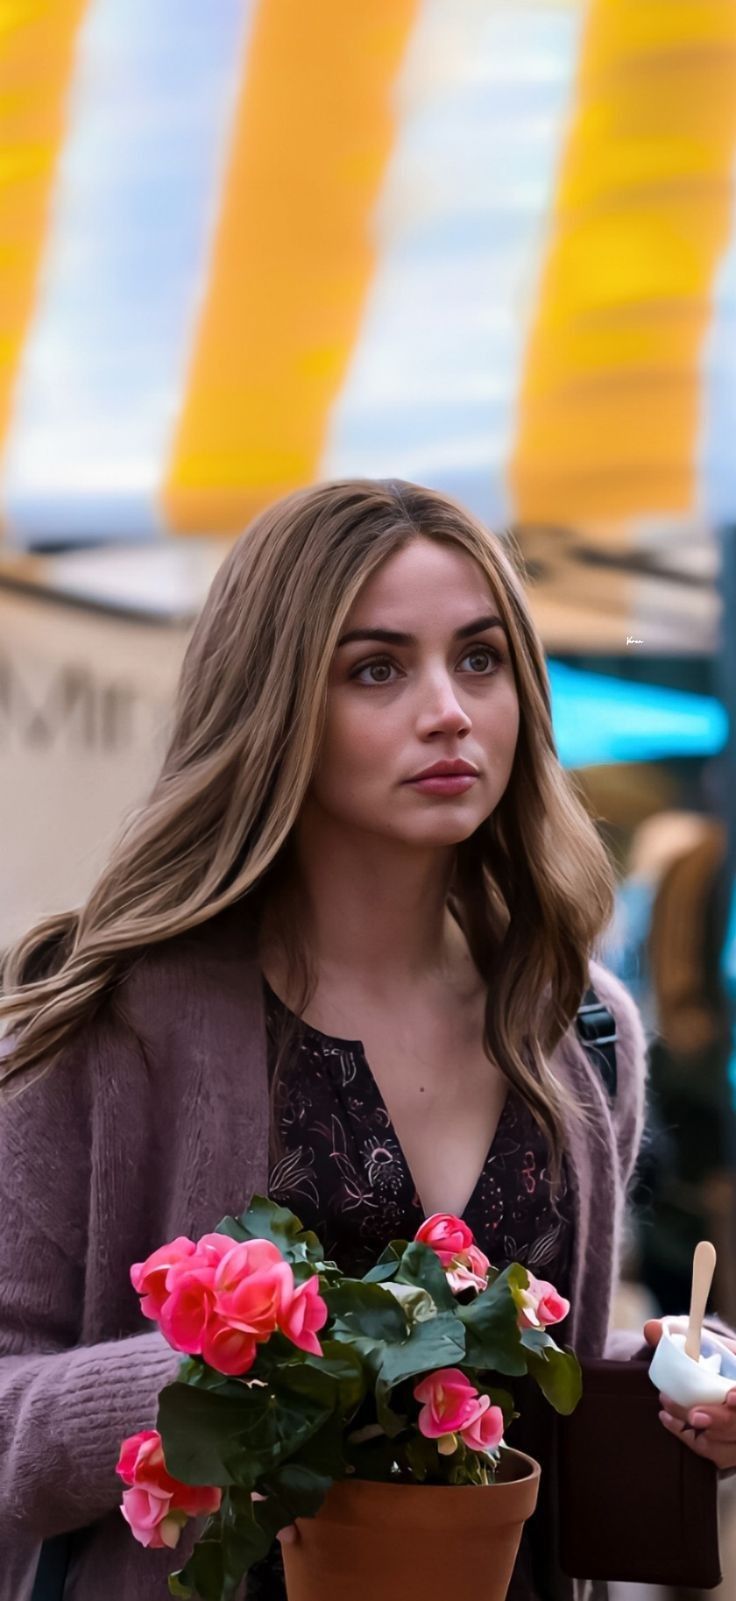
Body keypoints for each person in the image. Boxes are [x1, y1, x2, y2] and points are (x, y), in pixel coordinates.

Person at [0, 478, 729, 1601]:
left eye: (480, 658)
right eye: (376, 667)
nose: (448, 708)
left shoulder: (576, 1019)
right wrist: (209, 1374)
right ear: (273, 699)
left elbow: (545, 1387)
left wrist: (674, 1387)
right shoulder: (108, 1012)